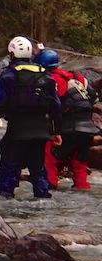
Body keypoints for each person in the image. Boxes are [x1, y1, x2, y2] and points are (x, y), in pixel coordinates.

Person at [0, 36, 62, 198]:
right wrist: (56, 131)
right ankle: (43, 199)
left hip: (16, 132)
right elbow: (55, 106)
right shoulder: (45, 76)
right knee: (38, 171)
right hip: (40, 133)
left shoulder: (8, 76)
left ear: (12, 55)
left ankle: (5, 202)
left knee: (8, 171)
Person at [35, 49, 100, 190]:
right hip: (89, 128)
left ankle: (50, 185)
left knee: (50, 155)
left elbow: (52, 104)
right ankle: (82, 188)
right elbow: (93, 97)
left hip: (70, 127)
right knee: (79, 162)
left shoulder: (51, 80)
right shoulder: (76, 77)